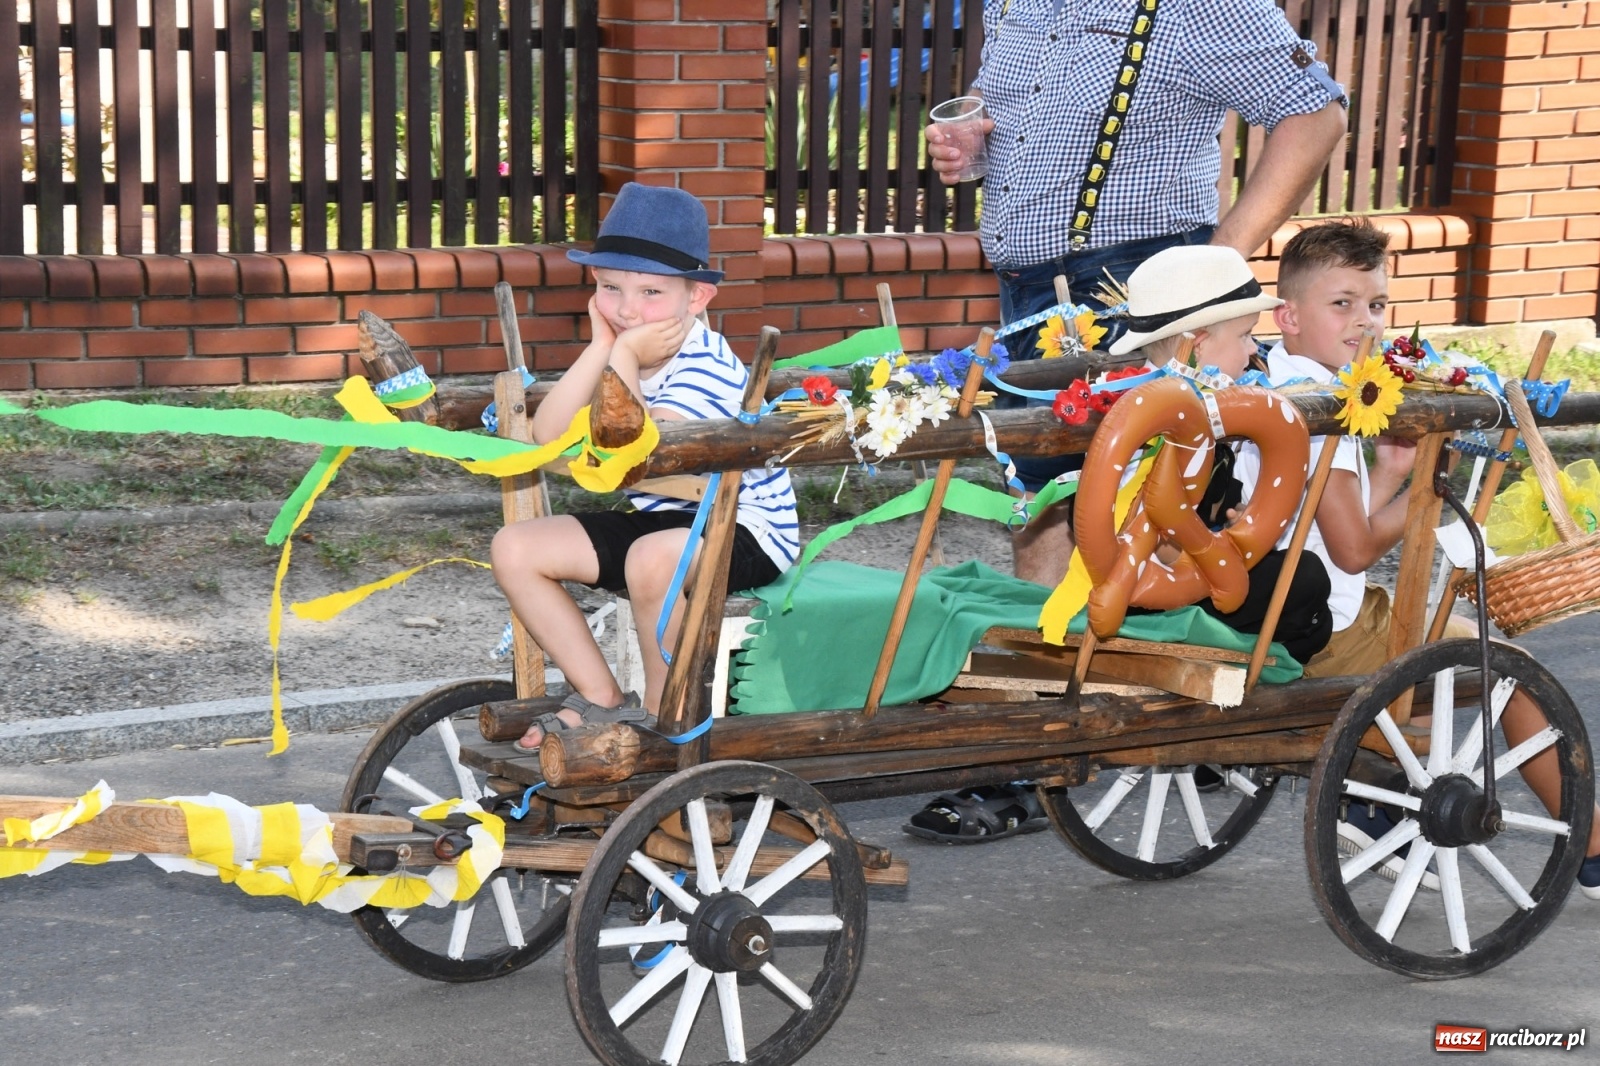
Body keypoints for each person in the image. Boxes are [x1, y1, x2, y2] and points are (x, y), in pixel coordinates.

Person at [905, 245, 1330, 843]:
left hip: (1161, 578)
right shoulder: (1163, 423)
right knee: (1305, 582)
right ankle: (1238, 702)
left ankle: (1222, 712)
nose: (1254, 351)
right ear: (1198, 344)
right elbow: (1156, 541)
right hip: (1148, 594)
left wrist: (1222, 530)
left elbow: (1189, 520)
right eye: (1243, 336)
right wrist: (1209, 546)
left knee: (1295, 582)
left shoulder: (1176, 408)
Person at [926, 0, 1348, 589]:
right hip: (1026, 287)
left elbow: (1315, 114)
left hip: (1137, 284)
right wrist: (976, 135)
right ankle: (1047, 642)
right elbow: (1010, 100)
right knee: (1041, 492)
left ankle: (1146, 644)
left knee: (1139, 509)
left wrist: (1219, 260)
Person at [1246, 217, 1600, 894]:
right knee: (1510, 671)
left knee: (1452, 658)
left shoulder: (1284, 385)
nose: (1365, 322)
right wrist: (1426, 495)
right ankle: (1588, 841)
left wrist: (1390, 474)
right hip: (1328, 627)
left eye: (1377, 304)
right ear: (1287, 316)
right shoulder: (1316, 414)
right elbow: (1353, 549)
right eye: (1342, 303)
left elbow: (1325, 520)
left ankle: (1381, 796)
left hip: (1291, 606)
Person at [491, 183, 799, 751]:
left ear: (697, 297)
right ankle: (604, 698)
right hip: (670, 520)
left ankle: (665, 717)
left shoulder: (704, 364)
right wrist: (601, 348)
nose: (629, 309)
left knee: (650, 557)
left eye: (651, 292)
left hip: (743, 527)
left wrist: (625, 355)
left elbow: (636, 448)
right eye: (612, 288)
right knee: (516, 548)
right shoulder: (621, 345)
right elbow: (546, 435)